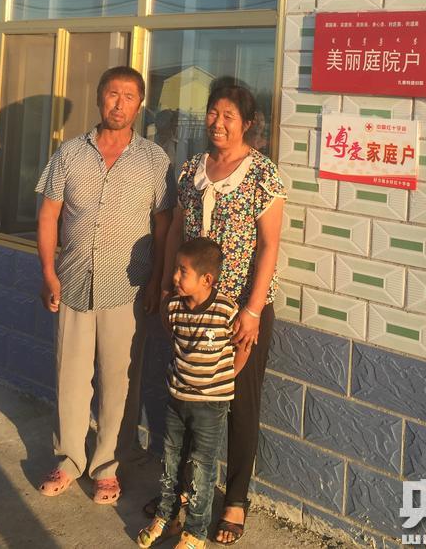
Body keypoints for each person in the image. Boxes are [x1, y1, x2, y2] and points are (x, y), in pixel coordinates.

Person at [35, 65, 175, 503]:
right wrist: (48, 272)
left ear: (140, 105)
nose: (119, 103)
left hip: (128, 289)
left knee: (120, 383)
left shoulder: (154, 160)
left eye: (129, 96)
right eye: (113, 94)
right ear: (99, 98)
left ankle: (107, 467)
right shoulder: (69, 153)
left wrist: (157, 281)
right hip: (73, 282)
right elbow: (49, 214)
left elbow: (164, 225)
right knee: (70, 378)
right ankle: (68, 460)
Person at [160, 81, 286, 544]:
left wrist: (251, 310)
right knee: (189, 399)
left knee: (238, 403)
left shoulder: (262, 174)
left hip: (240, 310)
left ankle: (235, 499)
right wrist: (166, 287)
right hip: (192, 306)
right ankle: (184, 494)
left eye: (229, 115)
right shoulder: (192, 168)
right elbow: (176, 231)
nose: (218, 122)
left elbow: (269, 246)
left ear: (247, 124)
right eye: (213, 112)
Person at [137, 237, 248, 549]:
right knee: (171, 461)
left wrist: (224, 378)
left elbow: (243, 347)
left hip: (210, 405)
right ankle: (167, 518)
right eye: (175, 269)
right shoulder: (172, 307)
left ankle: (196, 533)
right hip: (177, 398)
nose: (174, 277)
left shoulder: (226, 310)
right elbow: (172, 332)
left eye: (182, 271)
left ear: (206, 279)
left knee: (202, 468)